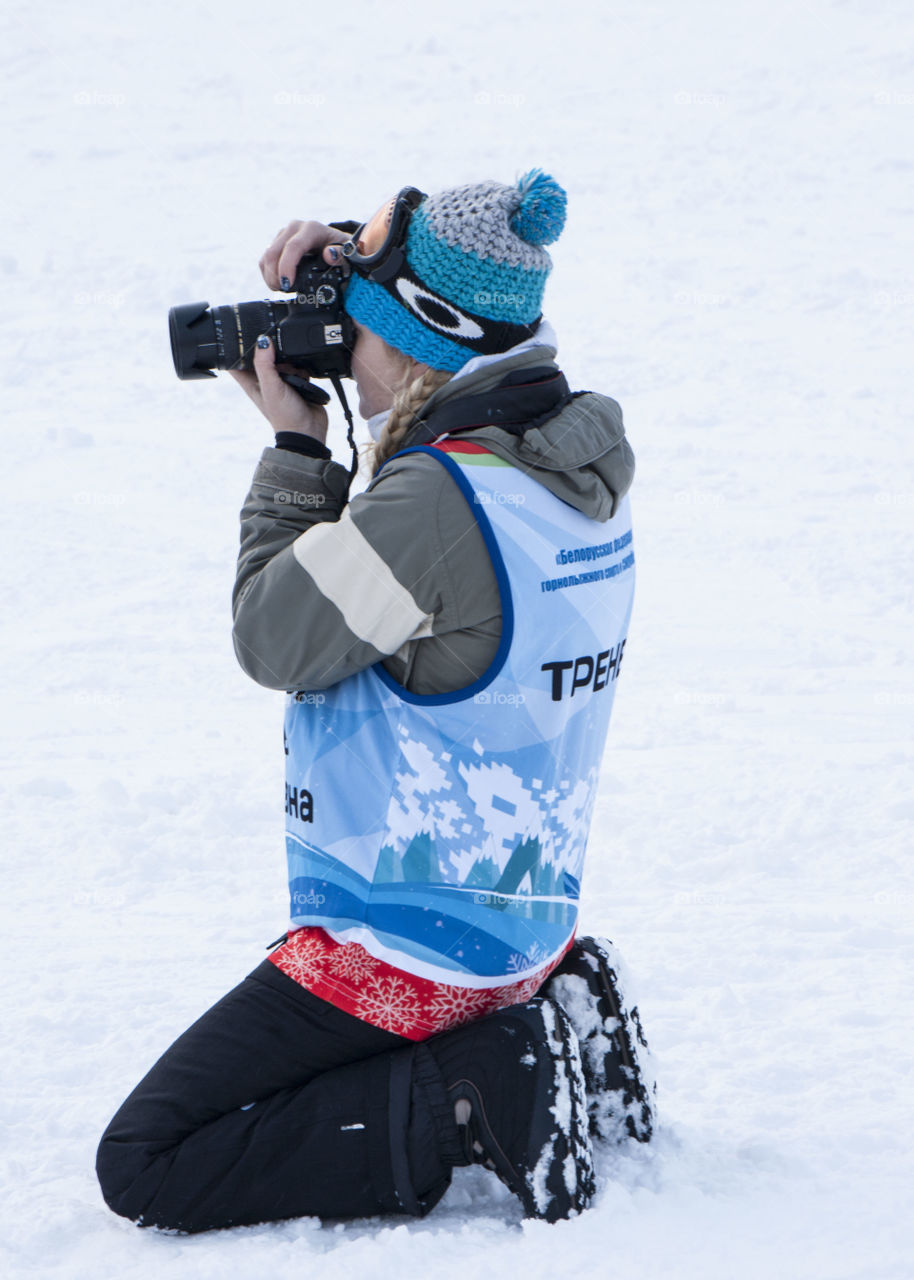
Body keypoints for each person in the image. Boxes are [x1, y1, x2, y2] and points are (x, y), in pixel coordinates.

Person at [96, 171, 656, 1234]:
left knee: (148, 1158)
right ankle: (560, 1010)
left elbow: (273, 634)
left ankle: (481, 1087)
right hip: (518, 924)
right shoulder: (561, 463)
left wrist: (301, 453)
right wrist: (356, 247)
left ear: (425, 338)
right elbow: (446, 287)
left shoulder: (436, 506)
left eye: (355, 329)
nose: (341, 357)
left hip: (406, 949)